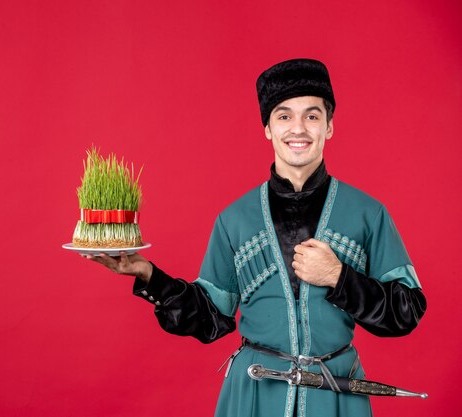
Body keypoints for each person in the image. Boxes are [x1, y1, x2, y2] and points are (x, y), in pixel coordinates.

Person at [84, 58, 427, 417]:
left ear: (329, 127)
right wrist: (148, 276)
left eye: (312, 116)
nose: (299, 128)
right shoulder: (234, 219)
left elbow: (407, 311)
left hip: (337, 393)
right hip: (254, 394)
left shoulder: (367, 213)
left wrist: (339, 278)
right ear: (267, 128)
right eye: (283, 116)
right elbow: (212, 318)